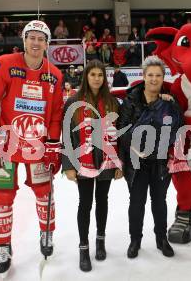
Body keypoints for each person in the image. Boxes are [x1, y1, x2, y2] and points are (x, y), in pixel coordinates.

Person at [0, 20, 64, 276]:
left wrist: (53, 144)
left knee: (44, 193)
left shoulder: (55, 75)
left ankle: (46, 234)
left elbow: (57, 112)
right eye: (32, 37)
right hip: (6, 144)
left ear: (47, 44)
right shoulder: (4, 64)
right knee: (1, 197)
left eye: (41, 38)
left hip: (38, 146)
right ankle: (3, 247)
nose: (36, 43)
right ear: (24, 40)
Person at [116, 55, 183, 259]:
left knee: (159, 201)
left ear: (163, 78)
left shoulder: (170, 102)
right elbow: (121, 129)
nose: (154, 79)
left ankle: (161, 239)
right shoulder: (130, 101)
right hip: (136, 162)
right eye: (150, 75)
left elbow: (178, 128)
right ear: (143, 76)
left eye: (158, 75)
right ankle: (135, 240)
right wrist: (134, 146)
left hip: (160, 162)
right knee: (136, 202)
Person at [62, 60, 123, 272]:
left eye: (100, 75)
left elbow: (119, 135)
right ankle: (83, 247)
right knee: (85, 203)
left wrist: (119, 163)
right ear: (86, 77)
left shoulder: (112, 102)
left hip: (106, 161)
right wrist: (68, 165)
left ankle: (100, 240)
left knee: (102, 201)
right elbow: (68, 137)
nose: (97, 78)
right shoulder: (73, 102)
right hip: (83, 162)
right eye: (93, 74)